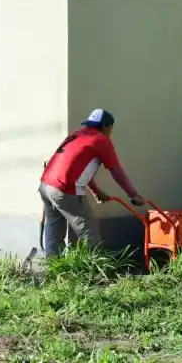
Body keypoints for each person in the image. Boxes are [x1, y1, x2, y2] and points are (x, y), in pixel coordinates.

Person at [38, 108, 145, 257]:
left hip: (46, 185)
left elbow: (81, 171)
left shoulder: (76, 136)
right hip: (64, 188)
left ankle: (54, 271)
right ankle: (92, 271)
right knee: (89, 230)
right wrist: (134, 195)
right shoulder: (101, 140)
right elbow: (117, 172)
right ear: (107, 127)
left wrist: (97, 192)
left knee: (55, 231)